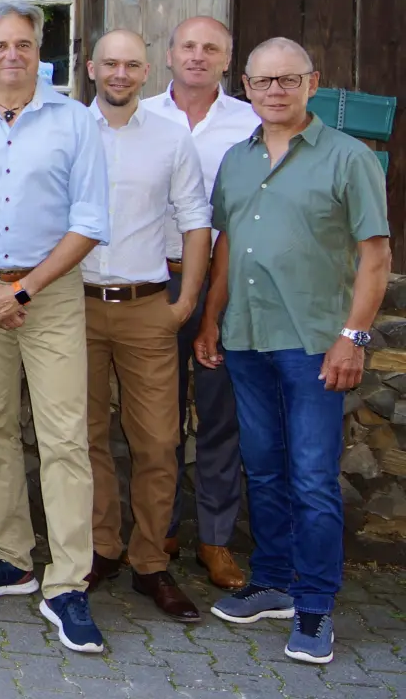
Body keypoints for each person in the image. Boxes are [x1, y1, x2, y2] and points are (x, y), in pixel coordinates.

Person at [198, 37, 390, 665]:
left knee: (311, 477)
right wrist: (211, 319)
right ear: (246, 87)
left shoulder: (349, 157)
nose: (274, 91)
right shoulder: (237, 159)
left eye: (288, 79)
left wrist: (354, 337)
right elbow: (227, 245)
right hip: (247, 337)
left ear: (313, 82)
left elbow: (376, 256)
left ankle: (314, 605)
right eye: (262, 81)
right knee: (263, 466)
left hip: (315, 345)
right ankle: (275, 582)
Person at [0, 0, 109, 654]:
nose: (11, 55)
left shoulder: (75, 120)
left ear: (39, 53)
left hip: (49, 293)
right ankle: (13, 558)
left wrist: (22, 290)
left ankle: (67, 585)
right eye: (0, 45)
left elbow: (90, 220)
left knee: (63, 437)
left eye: (23, 45)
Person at [79, 30, 210, 623]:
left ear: (147, 71)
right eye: (110, 63)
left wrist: (185, 304)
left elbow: (196, 219)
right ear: (91, 68)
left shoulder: (170, 137)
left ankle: (151, 561)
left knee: (157, 441)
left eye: (132, 64)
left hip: (147, 306)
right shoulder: (68, 131)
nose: (120, 73)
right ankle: (101, 549)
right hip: (75, 306)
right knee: (84, 438)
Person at [141, 16, 259, 590]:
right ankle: (159, 531)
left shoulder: (251, 122)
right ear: (169, 55)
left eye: (211, 48)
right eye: (187, 46)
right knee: (156, 420)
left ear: (227, 61)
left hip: (223, 283)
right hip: (152, 280)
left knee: (219, 417)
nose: (197, 56)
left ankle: (214, 540)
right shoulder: (136, 115)